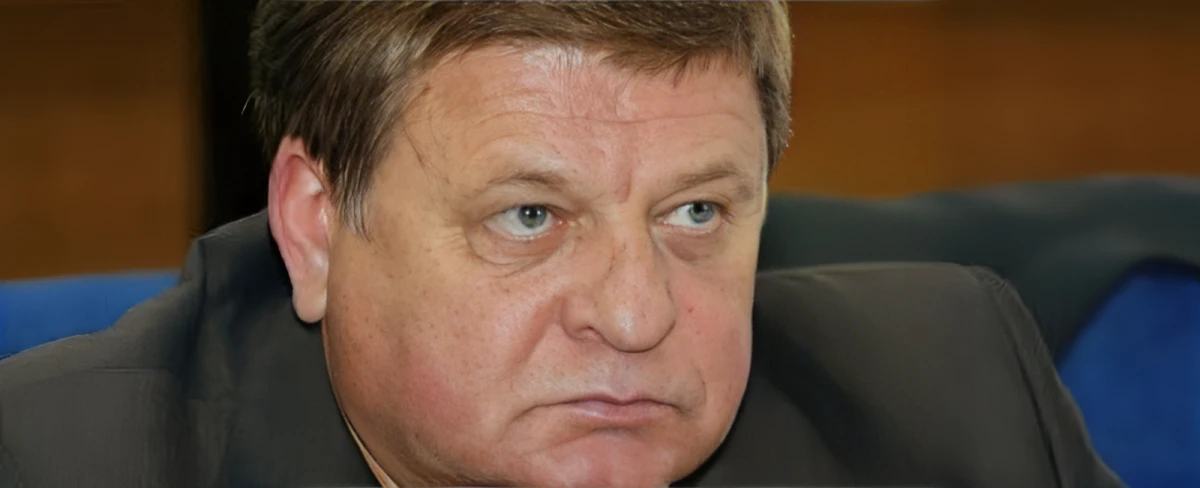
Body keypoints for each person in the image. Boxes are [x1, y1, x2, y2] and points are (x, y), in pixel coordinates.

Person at [0, 2, 1122, 487]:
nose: (636, 317)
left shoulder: (957, 402)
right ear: (316, 226)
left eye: (696, 213)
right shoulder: (56, 466)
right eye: (530, 217)